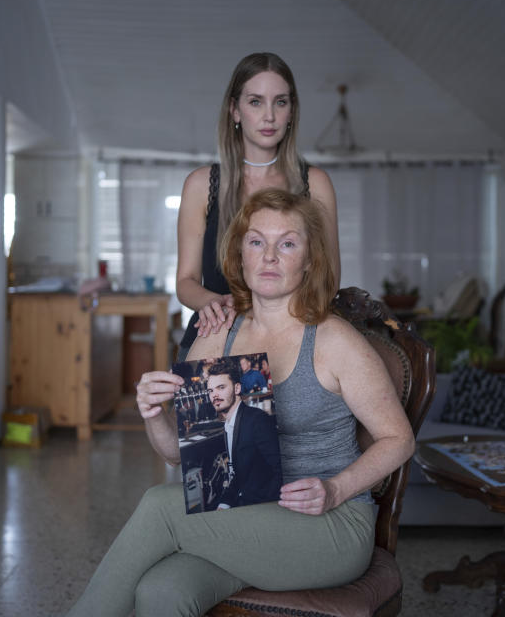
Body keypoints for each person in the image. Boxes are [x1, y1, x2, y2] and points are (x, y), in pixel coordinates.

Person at [66, 190, 414, 617]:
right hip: (243, 516)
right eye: (256, 242)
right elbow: (180, 456)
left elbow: (399, 439)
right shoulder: (216, 335)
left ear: (308, 260)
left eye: (287, 243)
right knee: (160, 591)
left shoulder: (334, 340)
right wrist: (154, 415)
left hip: (328, 525)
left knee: (163, 505)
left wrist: (335, 488)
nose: (269, 256)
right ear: (240, 255)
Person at [176, 52, 341, 359]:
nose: (269, 116)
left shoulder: (316, 184)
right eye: (255, 102)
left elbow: (328, 281)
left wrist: (271, 317)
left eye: (281, 102)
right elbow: (185, 282)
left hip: (291, 341)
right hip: (216, 337)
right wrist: (214, 303)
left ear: (292, 112)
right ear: (234, 110)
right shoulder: (201, 185)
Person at [204, 362, 281, 509]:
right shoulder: (228, 424)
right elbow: (239, 472)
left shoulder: (257, 420)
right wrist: (224, 503)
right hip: (240, 497)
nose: (214, 395)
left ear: (237, 388)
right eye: (210, 390)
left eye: (221, 387)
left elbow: (280, 471)